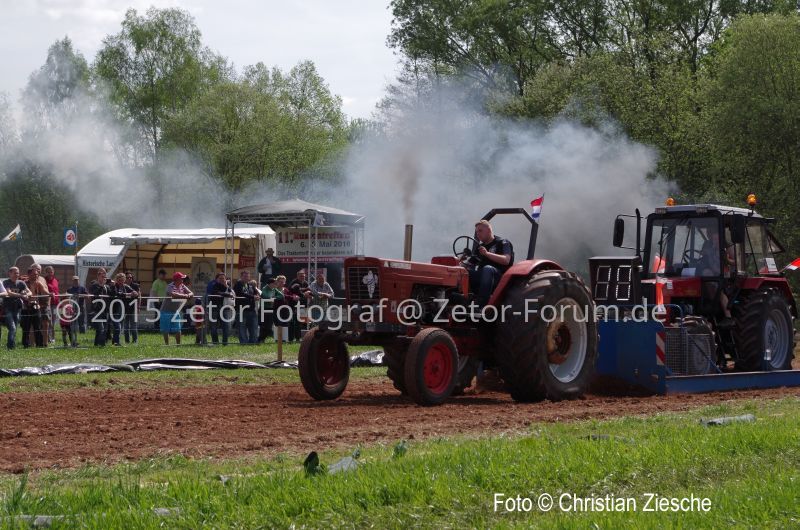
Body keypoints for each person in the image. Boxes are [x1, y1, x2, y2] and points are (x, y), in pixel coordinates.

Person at [464, 220, 514, 306]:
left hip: (500, 278)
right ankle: (463, 299)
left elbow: (506, 260)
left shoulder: (503, 242)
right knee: (463, 272)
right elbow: (470, 263)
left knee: (487, 269)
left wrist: (487, 254)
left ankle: (481, 304)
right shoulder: (480, 248)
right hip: (483, 277)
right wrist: (461, 263)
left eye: (480, 231)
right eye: (476, 232)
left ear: (489, 230)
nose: (477, 234)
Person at [699, 231, 735, 327]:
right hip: (712, 273)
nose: (710, 234)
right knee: (705, 274)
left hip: (725, 275)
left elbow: (736, 262)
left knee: (719, 289)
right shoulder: (707, 244)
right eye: (709, 233)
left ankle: (728, 316)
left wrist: (727, 260)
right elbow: (702, 255)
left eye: (712, 232)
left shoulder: (727, 246)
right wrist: (704, 253)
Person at [161, 272, 193, 345]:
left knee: (178, 329)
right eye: (181, 278)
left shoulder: (182, 286)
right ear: (177, 279)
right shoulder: (170, 286)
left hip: (176, 311)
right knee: (166, 329)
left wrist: (188, 295)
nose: (183, 280)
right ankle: (167, 345)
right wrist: (185, 296)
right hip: (166, 310)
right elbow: (173, 294)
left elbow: (191, 293)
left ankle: (178, 345)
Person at [3, 267, 30, 349]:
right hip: (8, 308)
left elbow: (29, 292)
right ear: (10, 273)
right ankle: (10, 346)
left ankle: (12, 345)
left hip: (18, 308)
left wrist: (26, 295)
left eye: (18, 273)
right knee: (12, 327)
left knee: (15, 327)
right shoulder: (6, 282)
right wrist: (21, 295)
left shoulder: (21, 283)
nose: (17, 275)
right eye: (15, 273)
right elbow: (9, 292)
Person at [23, 266, 48, 348]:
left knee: (37, 326)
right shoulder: (24, 283)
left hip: (36, 307)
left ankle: (39, 344)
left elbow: (45, 291)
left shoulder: (38, 283)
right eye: (34, 274)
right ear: (29, 274)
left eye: (37, 274)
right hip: (26, 308)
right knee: (26, 327)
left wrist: (50, 294)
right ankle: (26, 345)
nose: (36, 276)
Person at [206, 272, 234, 345]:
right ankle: (215, 343)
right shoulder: (213, 285)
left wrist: (226, 285)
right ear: (216, 279)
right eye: (220, 278)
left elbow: (232, 292)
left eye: (223, 278)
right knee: (214, 327)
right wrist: (227, 294)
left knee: (226, 326)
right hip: (214, 307)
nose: (222, 280)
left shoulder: (227, 285)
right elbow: (217, 293)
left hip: (224, 308)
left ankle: (225, 343)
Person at [233, 270, 260, 344]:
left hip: (251, 310)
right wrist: (252, 297)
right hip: (241, 310)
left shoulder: (250, 285)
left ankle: (253, 342)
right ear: (241, 277)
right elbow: (240, 293)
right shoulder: (238, 284)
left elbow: (255, 293)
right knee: (242, 328)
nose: (246, 278)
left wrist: (257, 295)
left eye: (248, 276)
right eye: (244, 276)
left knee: (254, 327)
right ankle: (244, 343)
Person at [89, 268, 111, 347]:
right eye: (101, 275)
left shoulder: (107, 286)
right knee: (101, 328)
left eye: (104, 275)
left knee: (104, 328)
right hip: (97, 309)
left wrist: (114, 285)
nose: (103, 277)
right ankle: (102, 344)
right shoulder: (94, 284)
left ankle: (96, 344)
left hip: (105, 309)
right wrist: (101, 286)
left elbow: (112, 294)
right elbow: (95, 294)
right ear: (98, 276)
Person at [288, 270, 311, 341]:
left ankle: (298, 338)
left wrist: (309, 294)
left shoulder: (306, 283)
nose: (302, 277)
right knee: (292, 322)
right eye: (301, 276)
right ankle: (291, 339)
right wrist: (305, 292)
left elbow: (309, 290)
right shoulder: (294, 283)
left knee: (300, 322)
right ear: (297, 276)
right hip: (293, 305)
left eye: (303, 276)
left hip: (303, 305)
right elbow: (294, 290)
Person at [260, 276, 283, 342]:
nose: (276, 285)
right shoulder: (265, 288)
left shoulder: (274, 289)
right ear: (270, 284)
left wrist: (274, 298)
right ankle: (261, 339)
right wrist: (272, 298)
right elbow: (266, 296)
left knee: (269, 325)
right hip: (263, 309)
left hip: (270, 309)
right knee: (264, 325)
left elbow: (281, 296)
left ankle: (262, 338)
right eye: (275, 283)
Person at [43, 266, 59, 344]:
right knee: (49, 322)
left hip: (55, 304)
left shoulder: (55, 280)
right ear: (45, 272)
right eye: (48, 272)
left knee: (54, 321)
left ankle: (53, 338)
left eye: (51, 272)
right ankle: (48, 338)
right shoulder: (44, 280)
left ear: (53, 272)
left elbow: (56, 291)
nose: (50, 273)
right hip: (47, 303)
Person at [123, 272, 140, 344]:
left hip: (134, 308)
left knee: (134, 326)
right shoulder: (123, 286)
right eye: (127, 277)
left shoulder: (136, 286)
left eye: (130, 277)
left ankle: (135, 340)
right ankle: (127, 341)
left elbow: (139, 296)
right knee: (126, 326)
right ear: (125, 279)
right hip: (125, 308)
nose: (129, 279)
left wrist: (138, 306)